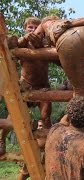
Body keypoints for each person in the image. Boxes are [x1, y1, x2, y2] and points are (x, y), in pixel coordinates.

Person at [0, 17, 52, 156]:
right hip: (25, 86)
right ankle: (1, 139)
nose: (34, 29)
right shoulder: (20, 44)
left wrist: (41, 44)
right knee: (13, 116)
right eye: (30, 27)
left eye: (37, 27)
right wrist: (25, 39)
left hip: (43, 87)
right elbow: (11, 46)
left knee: (46, 117)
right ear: (25, 29)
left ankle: (49, 146)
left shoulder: (46, 45)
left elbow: (56, 55)